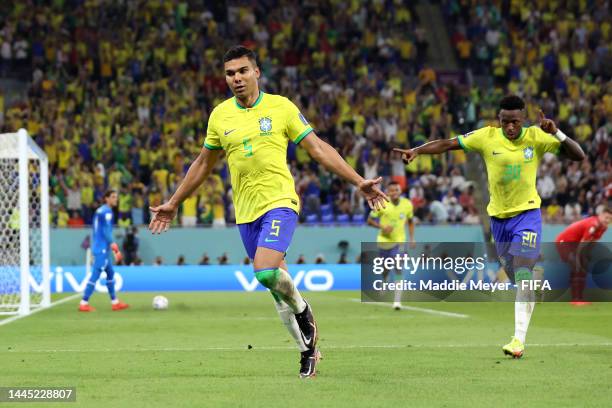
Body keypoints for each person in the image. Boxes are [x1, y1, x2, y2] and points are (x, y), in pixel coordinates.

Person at [148, 45, 388, 378]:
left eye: (243, 71)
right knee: (277, 291)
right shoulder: (220, 116)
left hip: (280, 202)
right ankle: (309, 352)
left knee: (263, 271)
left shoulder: (281, 108)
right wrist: (174, 202)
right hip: (245, 213)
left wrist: (358, 180)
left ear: (256, 72)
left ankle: (305, 311)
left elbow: (318, 149)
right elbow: (204, 163)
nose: (237, 78)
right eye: (230, 73)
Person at [394, 95, 585, 358]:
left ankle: (518, 340)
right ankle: (531, 279)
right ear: (499, 119)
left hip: (527, 215)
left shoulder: (536, 137)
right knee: (515, 275)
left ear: (523, 119)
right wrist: (418, 150)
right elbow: (449, 144)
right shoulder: (486, 136)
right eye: (505, 121)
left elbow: (579, 155)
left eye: (515, 122)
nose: (510, 127)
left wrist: (558, 133)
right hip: (498, 219)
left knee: (522, 272)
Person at [367, 181, 415, 310]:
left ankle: (397, 301)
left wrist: (411, 238)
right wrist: (381, 227)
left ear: (401, 191)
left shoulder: (407, 204)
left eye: (396, 190)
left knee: (398, 267)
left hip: (399, 241)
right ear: (387, 192)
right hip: (384, 241)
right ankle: (384, 281)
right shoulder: (382, 204)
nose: (394, 192)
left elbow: (410, 221)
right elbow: (369, 220)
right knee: (385, 268)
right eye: (391, 190)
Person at [79, 190, 129, 312]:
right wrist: (114, 247)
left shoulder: (100, 210)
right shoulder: (107, 212)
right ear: (106, 198)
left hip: (101, 247)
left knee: (110, 273)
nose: (115, 199)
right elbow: (106, 231)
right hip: (101, 248)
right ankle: (84, 302)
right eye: (112, 197)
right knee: (96, 274)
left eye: (116, 197)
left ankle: (115, 302)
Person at [555, 207, 611, 305]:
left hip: (574, 245)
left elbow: (593, 241)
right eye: (606, 218)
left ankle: (579, 299)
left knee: (582, 268)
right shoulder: (594, 224)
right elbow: (584, 242)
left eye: (610, 219)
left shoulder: (603, 227)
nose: (608, 221)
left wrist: (587, 255)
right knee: (578, 267)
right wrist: (580, 256)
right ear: (600, 215)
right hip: (564, 243)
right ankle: (576, 300)